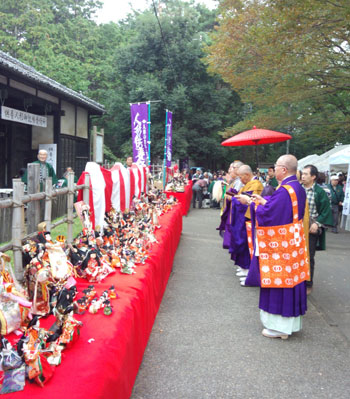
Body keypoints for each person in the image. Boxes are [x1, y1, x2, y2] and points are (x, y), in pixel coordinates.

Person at [238, 155, 308, 339]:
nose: (273, 169)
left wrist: (253, 204)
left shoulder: (285, 190)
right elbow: (282, 212)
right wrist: (264, 202)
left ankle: (280, 327)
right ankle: (289, 325)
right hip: (293, 242)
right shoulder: (297, 188)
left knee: (279, 280)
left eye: (276, 166)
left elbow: (270, 216)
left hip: (279, 244)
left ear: (283, 169)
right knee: (291, 280)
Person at [302, 164, 332, 294]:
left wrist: (317, 223)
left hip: (310, 228)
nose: (302, 176)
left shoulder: (319, 192)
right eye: (302, 174)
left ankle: (308, 283)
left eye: (306, 174)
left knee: (309, 256)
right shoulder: (298, 189)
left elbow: (326, 211)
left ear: (313, 177)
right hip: (296, 227)